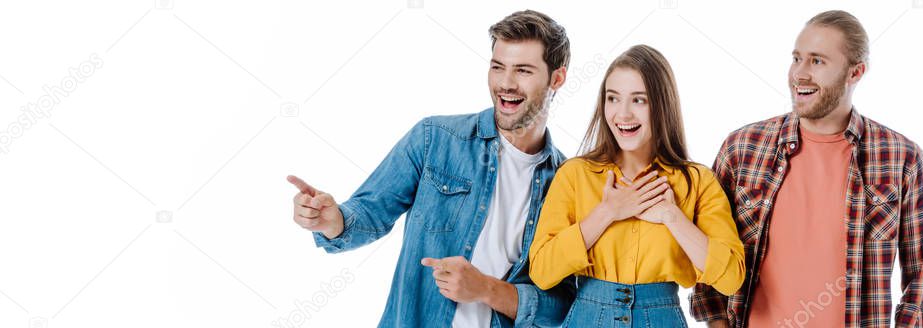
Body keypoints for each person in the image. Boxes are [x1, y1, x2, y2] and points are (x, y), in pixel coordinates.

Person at [287, 10, 576, 327]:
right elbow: (369, 212)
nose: (506, 84)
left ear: (557, 79)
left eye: (523, 71)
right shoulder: (435, 140)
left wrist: (487, 290)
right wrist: (333, 220)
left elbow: (561, 307)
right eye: (497, 67)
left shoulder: (567, 182)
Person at [690, 10, 923, 328]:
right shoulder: (742, 148)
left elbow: (922, 289)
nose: (800, 74)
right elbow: (710, 257)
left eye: (817, 61)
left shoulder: (902, 160)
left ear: (855, 72)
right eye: (797, 58)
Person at [528, 44, 746, 327]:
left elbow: (731, 278)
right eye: (613, 98)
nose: (623, 114)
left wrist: (672, 216)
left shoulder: (698, 182)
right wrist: (607, 212)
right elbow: (542, 272)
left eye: (639, 100)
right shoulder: (575, 175)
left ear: (662, 105)